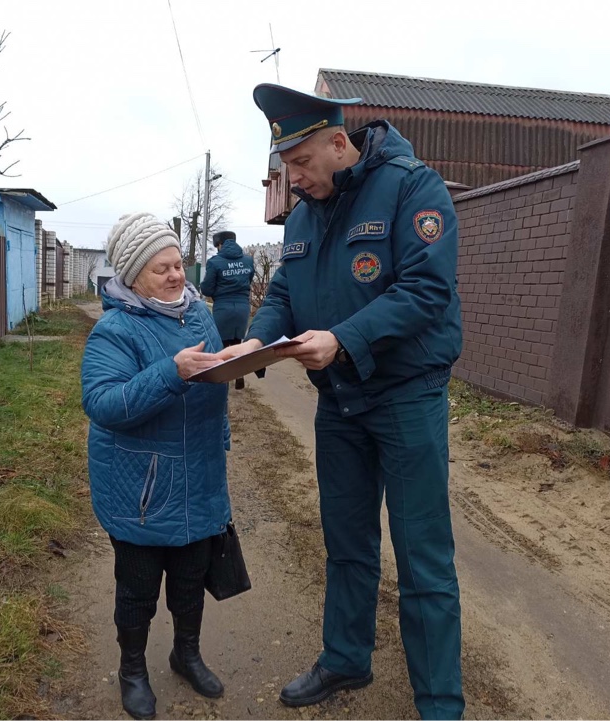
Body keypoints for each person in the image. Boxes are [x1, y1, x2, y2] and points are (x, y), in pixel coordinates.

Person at [217, 84, 464, 720]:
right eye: (286, 168)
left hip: (406, 397)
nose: (294, 180)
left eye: (301, 164)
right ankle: (346, 658)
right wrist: (254, 341)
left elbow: (426, 291)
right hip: (340, 405)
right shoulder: (304, 215)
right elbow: (284, 293)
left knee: (422, 556)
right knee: (347, 542)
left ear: (337, 143)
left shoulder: (412, 188)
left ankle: (440, 704)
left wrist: (342, 339)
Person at [81, 212, 232, 720]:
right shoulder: (115, 330)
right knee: (138, 590)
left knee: (191, 582)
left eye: (178, 265)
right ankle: (132, 672)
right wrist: (172, 372)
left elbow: (213, 378)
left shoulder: (199, 313)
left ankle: (186, 654)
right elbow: (104, 404)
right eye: (161, 268)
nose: (176, 276)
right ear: (132, 275)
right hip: (141, 489)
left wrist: (239, 361)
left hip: (201, 476)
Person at [200, 230, 256, 389]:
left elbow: (207, 289)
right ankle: (239, 374)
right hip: (242, 307)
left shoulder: (215, 262)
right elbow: (249, 280)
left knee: (222, 344)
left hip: (223, 308)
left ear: (219, 244)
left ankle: (223, 380)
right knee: (238, 342)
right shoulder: (248, 260)